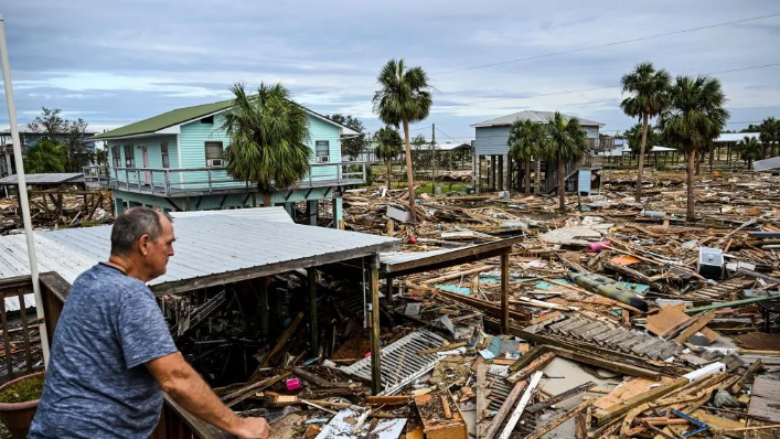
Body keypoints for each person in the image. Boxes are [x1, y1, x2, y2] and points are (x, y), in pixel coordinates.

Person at [29, 207, 269, 439]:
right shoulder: (129, 294)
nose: (172, 252)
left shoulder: (88, 281)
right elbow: (175, 378)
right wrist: (240, 425)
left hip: (55, 426)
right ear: (144, 244)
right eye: (168, 243)